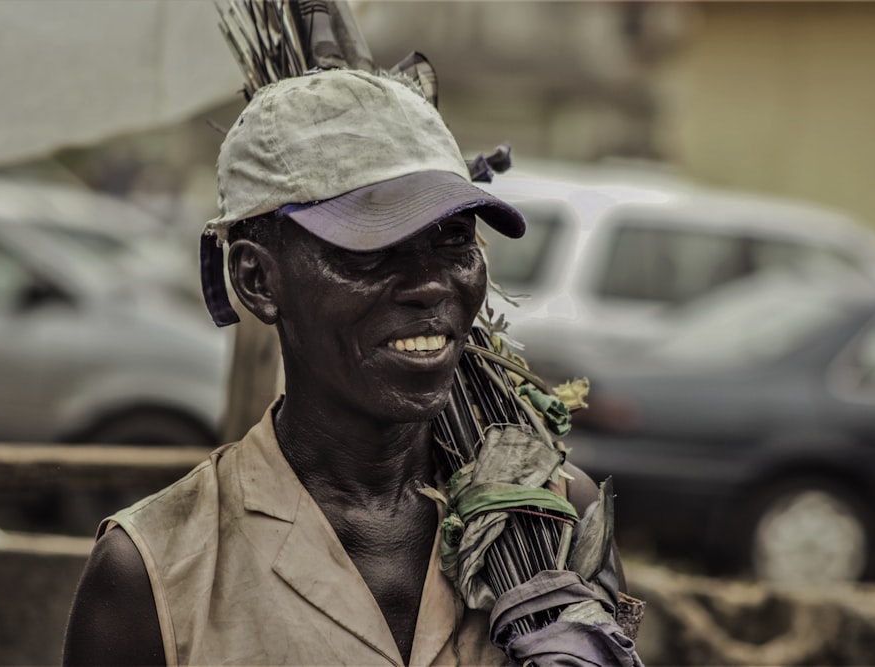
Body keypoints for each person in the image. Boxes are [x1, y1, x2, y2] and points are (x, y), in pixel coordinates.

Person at [63, 68, 640, 666]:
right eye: (370, 252)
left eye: (453, 241)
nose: (431, 284)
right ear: (258, 280)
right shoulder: (155, 574)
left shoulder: (553, 517)